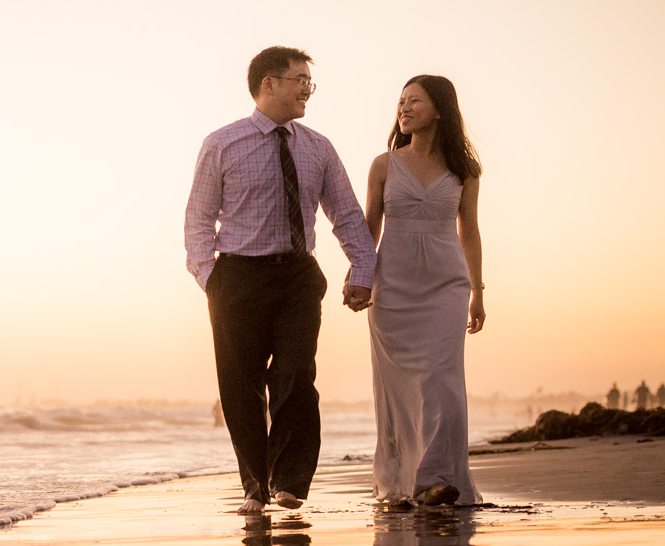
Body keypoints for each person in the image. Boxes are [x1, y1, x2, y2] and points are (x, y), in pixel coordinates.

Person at [187, 47, 377, 515]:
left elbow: (347, 214)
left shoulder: (319, 147)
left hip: (297, 275)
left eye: (310, 82)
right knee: (241, 386)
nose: (307, 89)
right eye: (300, 80)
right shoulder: (222, 143)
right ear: (268, 83)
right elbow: (197, 220)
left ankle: (290, 484)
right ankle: (255, 486)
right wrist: (212, 279)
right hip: (236, 277)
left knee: (295, 375)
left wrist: (364, 269)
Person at [356, 74, 484, 507]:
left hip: (447, 286)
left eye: (415, 101)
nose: (404, 109)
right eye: (401, 102)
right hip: (392, 287)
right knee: (398, 391)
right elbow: (369, 227)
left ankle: (437, 478)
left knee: (441, 381)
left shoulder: (464, 171)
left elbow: (471, 232)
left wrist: (477, 291)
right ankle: (401, 481)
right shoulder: (384, 165)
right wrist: (359, 276)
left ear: (440, 110)